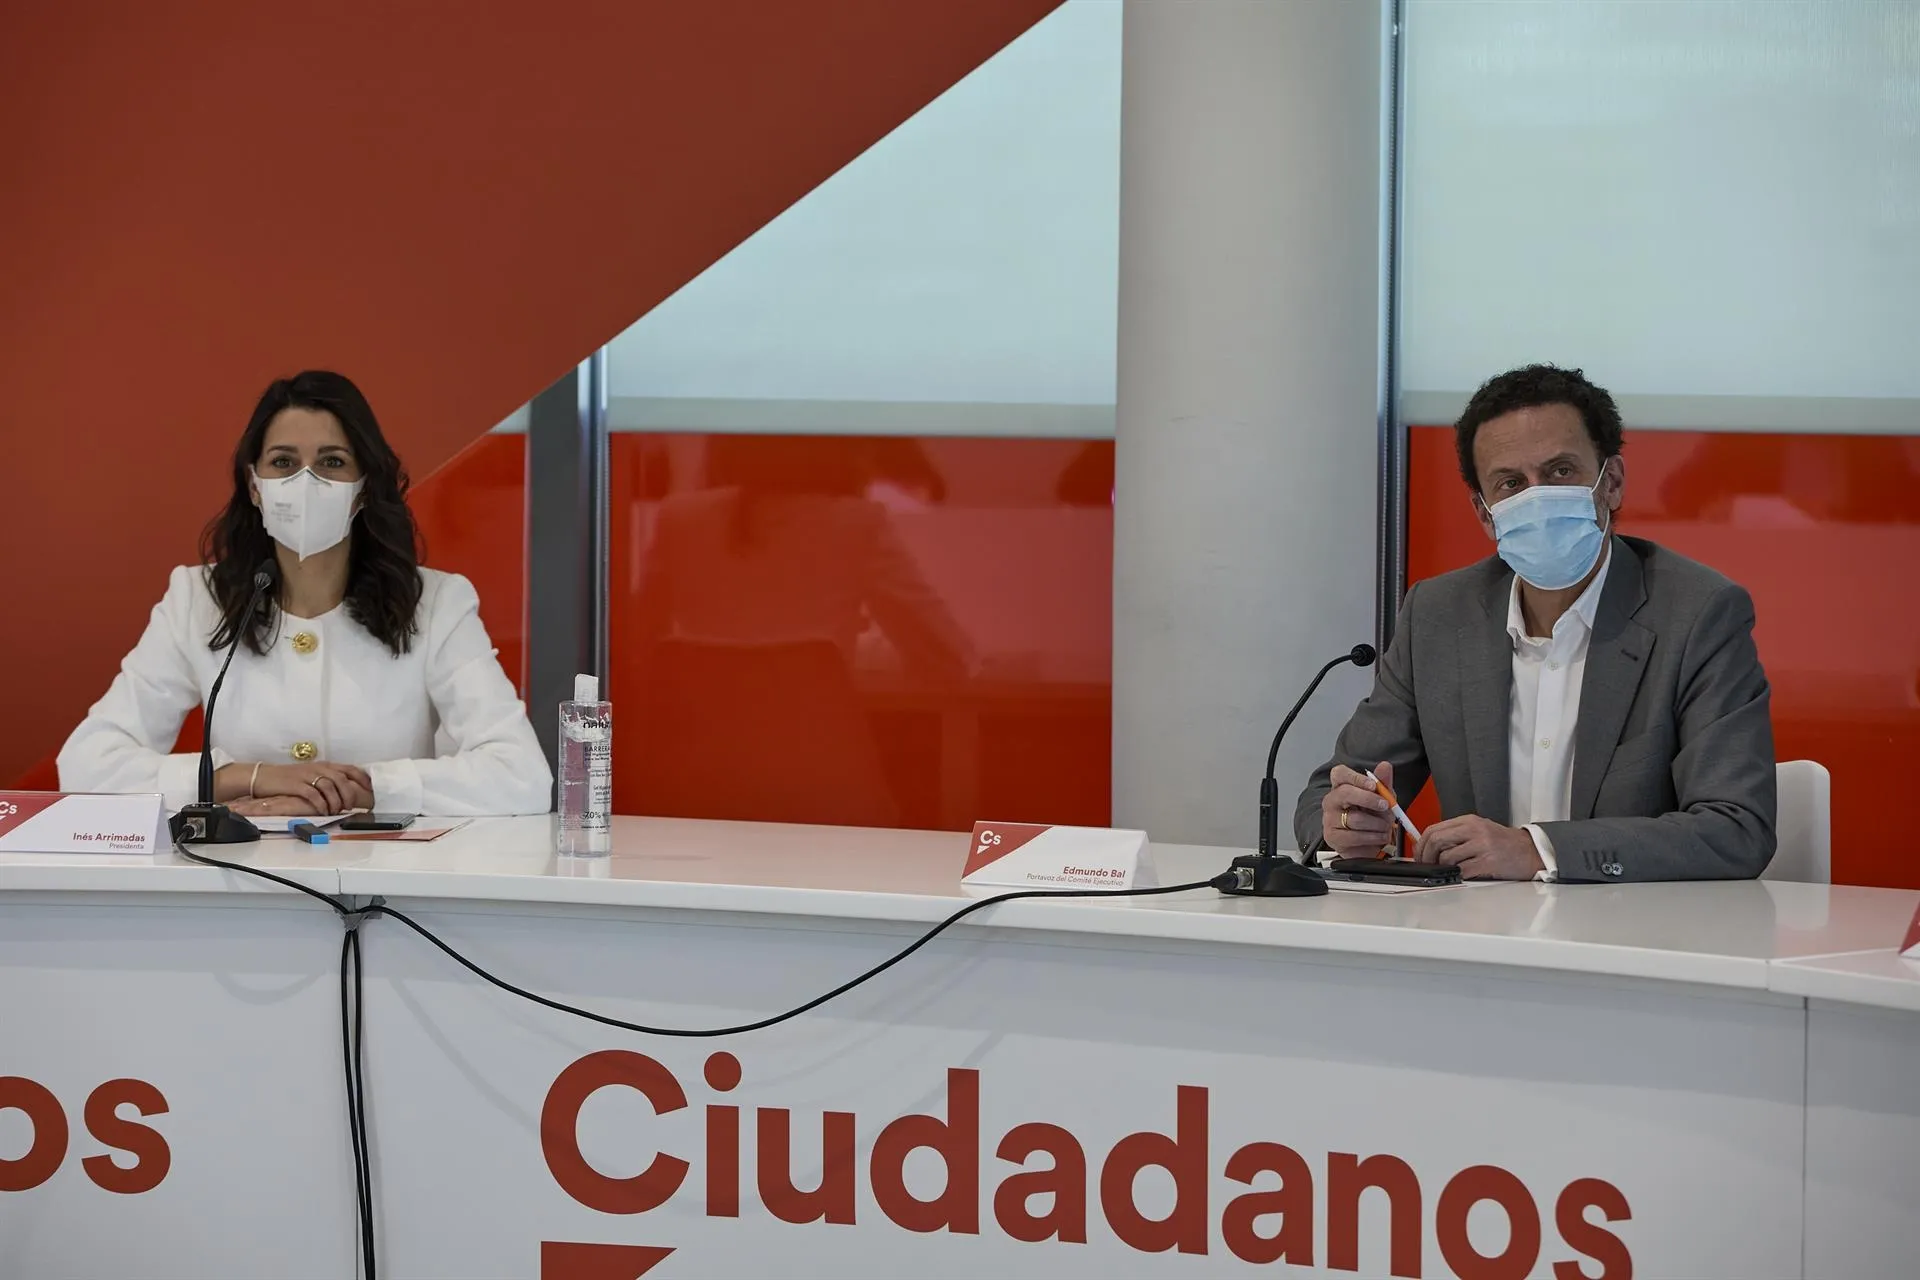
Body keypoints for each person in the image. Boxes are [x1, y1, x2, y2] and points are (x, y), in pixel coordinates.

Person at [1294, 364, 1775, 882]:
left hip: (1638, 939)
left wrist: (1538, 850)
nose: (1538, 496)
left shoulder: (1698, 612)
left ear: (1610, 483)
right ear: (1485, 512)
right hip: (1481, 937)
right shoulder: (1438, 614)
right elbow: (1328, 797)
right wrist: (1345, 823)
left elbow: (1736, 829)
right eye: (1511, 483)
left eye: (1561, 471)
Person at [58, 370, 551, 818]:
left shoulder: (436, 603)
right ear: (254, 486)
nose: (306, 481)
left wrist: (364, 788)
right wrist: (241, 778)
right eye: (283, 462)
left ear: (362, 488)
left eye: (332, 462)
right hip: (243, 881)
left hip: (388, 886)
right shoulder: (199, 598)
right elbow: (87, 765)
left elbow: (521, 775)